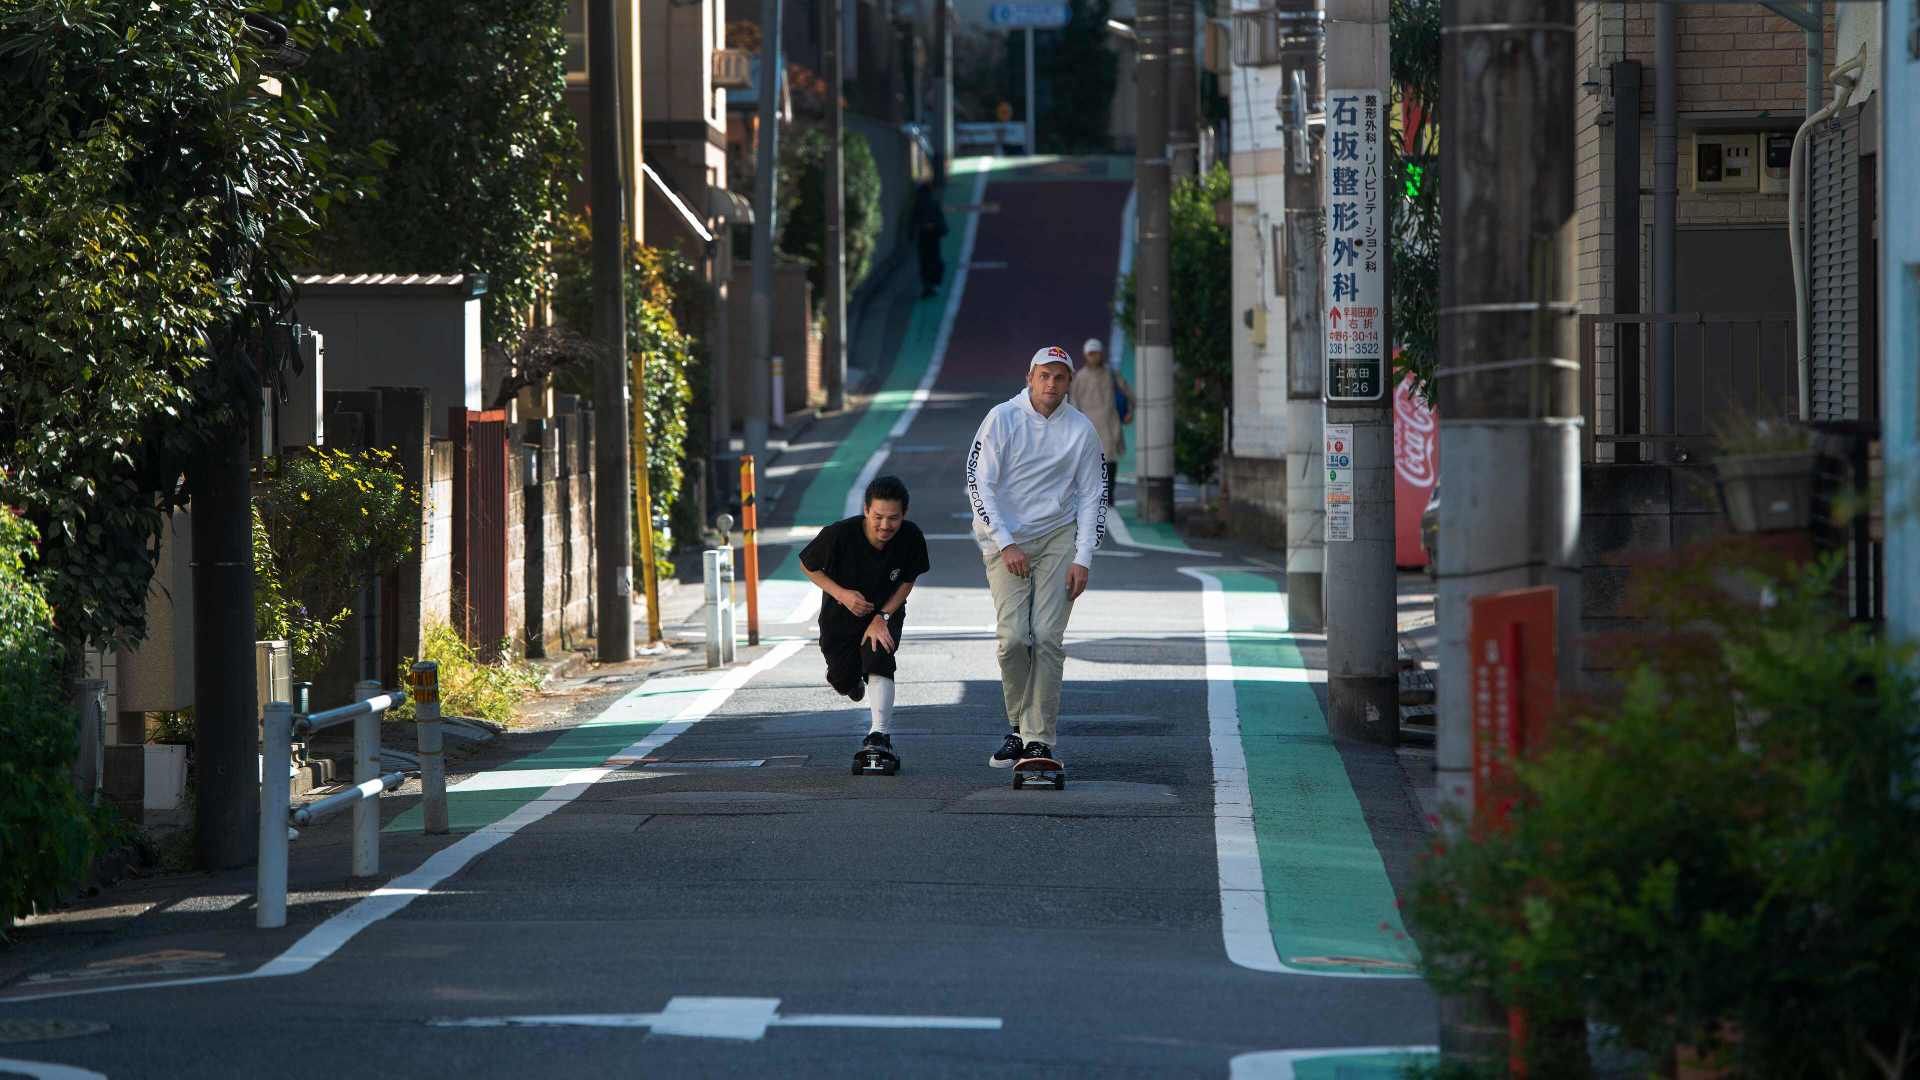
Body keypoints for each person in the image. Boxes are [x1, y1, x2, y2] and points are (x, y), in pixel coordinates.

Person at [965, 345, 1107, 769]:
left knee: (1046, 636)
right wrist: (1005, 542)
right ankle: (1017, 727)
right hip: (1002, 537)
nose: (1051, 384)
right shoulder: (1001, 419)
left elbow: (1093, 494)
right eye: (1044, 375)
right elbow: (978, 482)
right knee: (1013, 640)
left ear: (1069, 383)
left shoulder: (1081, 430)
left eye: (1059, 377)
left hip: (1058, 536)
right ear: (1029, 377)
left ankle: (1038, 739)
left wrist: (1084, 557)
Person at [799, 475, 930, 762]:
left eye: (893, 518)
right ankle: (851, 683)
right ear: (866, 510)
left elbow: (908, 579)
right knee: (841, 677)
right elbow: (808, 564)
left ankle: (879, 734)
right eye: (878, 517)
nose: (885, 526)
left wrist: (882, 615)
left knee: (878, 654)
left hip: (885, 611)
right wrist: (842, 595)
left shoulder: (911, 537)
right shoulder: (839, 535)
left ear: (904, 515)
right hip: (840, 615)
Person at [1066, 337, 1133, 506]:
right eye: (1090, 354)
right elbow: (1073, 402)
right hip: (1088, 425)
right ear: (1085, 355)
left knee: (1110, 460)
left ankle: (1109, 495)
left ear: (1101, 354)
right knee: (1090, 461)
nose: (1094, 357)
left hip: (1110, 423)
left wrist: (1130, 411)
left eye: (1096, 353)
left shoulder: (1111, 374)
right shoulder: (1080, 377)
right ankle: (1094, 495)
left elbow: (1128, 392)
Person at [912, 182, 948, 299]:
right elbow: (940, 219)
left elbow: (913, 221)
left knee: (925, 261)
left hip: (924, 236)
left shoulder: (917, 203)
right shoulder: (933, 202)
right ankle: (934, 284)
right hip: (934, 235)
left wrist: (911, 235)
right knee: (935, 259)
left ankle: (928, 285)